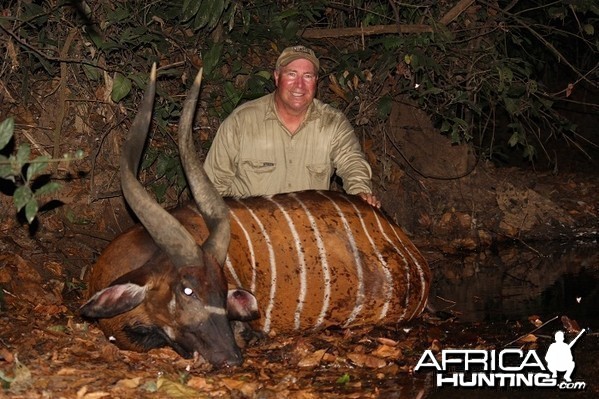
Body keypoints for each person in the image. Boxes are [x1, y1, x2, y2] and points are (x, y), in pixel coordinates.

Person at [203, 45, 380, 207]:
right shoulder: (241, 122)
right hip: (251, 228)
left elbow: (352, 163)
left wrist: (360, 192)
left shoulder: (332, 122)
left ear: (316, 81)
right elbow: (212, 186)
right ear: (277, 76)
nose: (299, 85)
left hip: (309, 227)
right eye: (292, 74)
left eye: (307, 76)